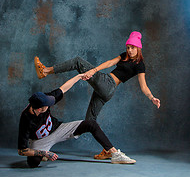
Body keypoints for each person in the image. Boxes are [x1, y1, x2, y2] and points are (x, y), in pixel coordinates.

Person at [34, 31, 160, 160]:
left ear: (138, 48)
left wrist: (151, 97)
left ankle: (45, 71)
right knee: (90, 122)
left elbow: (143, 86)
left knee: (78, 62)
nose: (129, 50)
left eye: (132, 48)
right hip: (105, 89)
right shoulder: (124, 56)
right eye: (128, 47)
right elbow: (110, 63)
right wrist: (94, 70)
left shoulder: (140, 65)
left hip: (108, 85)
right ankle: (108, 150)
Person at [18, 74, 136, 168]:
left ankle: (115, 154)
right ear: (39, 109)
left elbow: (63, 88)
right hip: (40, 140)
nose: (50, 105)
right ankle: (44, 152)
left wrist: (79, 76)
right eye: (47, 106)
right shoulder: (26, 119)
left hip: (58, 129)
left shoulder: (43, 99)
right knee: (33, 163)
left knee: (91, 124)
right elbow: (22, 151)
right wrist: (44, 153)